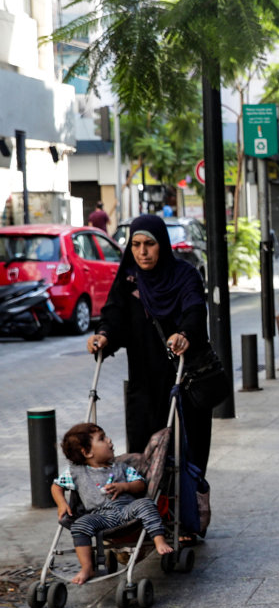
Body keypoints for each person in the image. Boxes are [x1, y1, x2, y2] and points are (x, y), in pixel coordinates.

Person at [87, 215, 214, 479]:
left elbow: (194, 308)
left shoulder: (184, 275)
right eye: (136, 244)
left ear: (163, 245)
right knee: (143, 455)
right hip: (144, 381)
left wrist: (184, 333)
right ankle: (149, 511)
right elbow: (114, 315)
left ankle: (188, 512)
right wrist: (103, 335)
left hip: (184, 379)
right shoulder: (129, 280)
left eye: (150, 244)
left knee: (187, 452)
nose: (142, 252)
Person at [50, 422, 172, 584]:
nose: (109, 440)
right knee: (80, 525)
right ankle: (87, 567)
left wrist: (124, 486)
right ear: (87, 452)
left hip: (126, 510)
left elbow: (140, 484)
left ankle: (159, 539)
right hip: (99, 516)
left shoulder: (122, 468)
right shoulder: (76, 473)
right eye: (102, 439)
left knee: (146, 504)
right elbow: (56, 486)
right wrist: (62, 503)